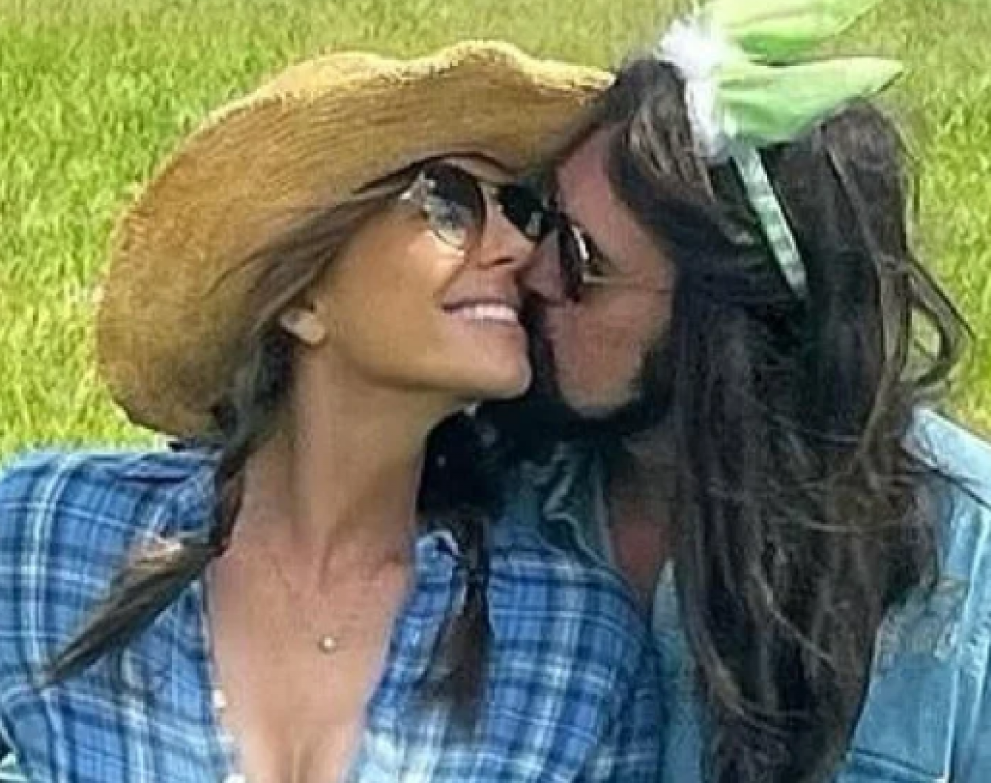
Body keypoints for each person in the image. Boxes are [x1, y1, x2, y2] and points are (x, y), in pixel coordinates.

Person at [0, 42, 661, 782]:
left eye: (520, 210)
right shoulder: (44, 532)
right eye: (449, 203)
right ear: (303, 299)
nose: (517, 248)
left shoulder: (576, 646)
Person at [488, 0, 991, 783]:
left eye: (580, 258)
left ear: (730, 321)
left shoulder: (985, 571)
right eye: (540, 216)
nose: (529, 273)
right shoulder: (491, 492)